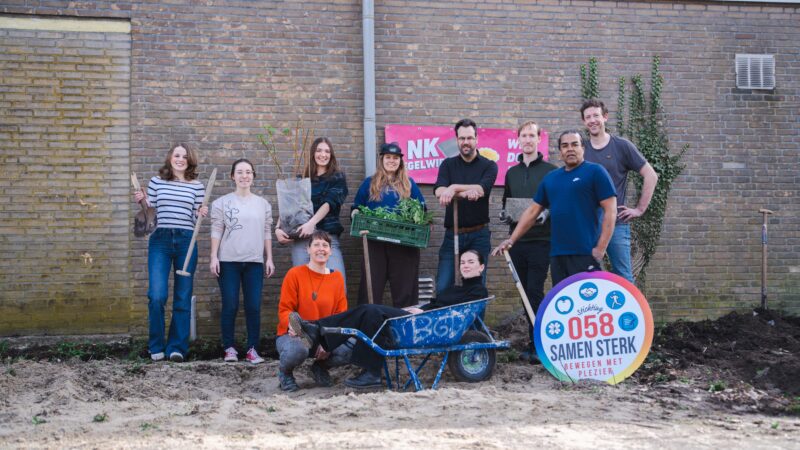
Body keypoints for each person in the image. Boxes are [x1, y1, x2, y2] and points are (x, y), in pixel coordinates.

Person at [289, 250, 489, 389]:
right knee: (368, 313)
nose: (466, 265)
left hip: (427, 325)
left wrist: (424, 313)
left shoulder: (478, 291)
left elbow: (454, 311)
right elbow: (436, 303)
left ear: (481, 267)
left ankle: (319, 332)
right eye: (463, 262)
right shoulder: (456, 288)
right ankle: (366, 370)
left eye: (471, 262)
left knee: (371, 311)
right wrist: (418, 308)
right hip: (422, 317)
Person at [493, 130, 617, 286]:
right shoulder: (551, 178)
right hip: (557, 255)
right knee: (564, 305)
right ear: (560, 152)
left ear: (583, 148)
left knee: (587, 305)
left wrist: (601, 248)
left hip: (586, 252)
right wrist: (511, 240)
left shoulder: (596, 172)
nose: (570, 149)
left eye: (574, 144)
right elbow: (532, 211)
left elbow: (611, 211)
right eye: (565, 146)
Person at [133, 143, 208, 363]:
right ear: (170, 158)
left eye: (185, 156)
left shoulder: (197, 186)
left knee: (183, 297)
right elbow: (150, 215)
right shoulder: (157, 182)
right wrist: (142, 202)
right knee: (157, 295)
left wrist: (201, 213)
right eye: (177, 155)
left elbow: (195, 221)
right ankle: (156, 345)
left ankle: (177, 347)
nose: (180, 159)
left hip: (187, 241)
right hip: (161, 241)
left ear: (189, 160)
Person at [581, 99, 658, 283]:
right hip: (588, 222)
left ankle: (631, 312)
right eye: (588, 117)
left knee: (623, 277)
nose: (592, 120)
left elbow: (651, 175)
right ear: (584, 121)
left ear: (605, 117)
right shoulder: (581, 149)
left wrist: (639, 209)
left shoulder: (622, 146)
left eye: (596, 115)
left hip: (616, 221)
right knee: (588, 275)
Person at [209, 158, 275, 364]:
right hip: (228, 261)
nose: (244, 176)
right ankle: (229, 349)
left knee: (253, 306)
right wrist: (213, 257)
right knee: (230, 305)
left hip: (254, 262)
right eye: (240, 172)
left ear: (253, 176)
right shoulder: (221, 203)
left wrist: (269, 258)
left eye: (248, 172)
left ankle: (252, 350)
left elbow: (266, 232)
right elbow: (216, 230)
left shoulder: (263, 204)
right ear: (232, 176)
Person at [501, 121, 556, 363]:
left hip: (541, 241)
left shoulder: (551, 171)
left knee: (535, 291)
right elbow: (507, 202)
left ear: (539, 139)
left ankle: (542, 344)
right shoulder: (511, 172)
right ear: (518, 140)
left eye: (532, 135)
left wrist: (548, 213)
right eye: (523, 135)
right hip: (517, 243)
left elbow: (555, 202)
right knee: (524, 294)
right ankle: (534, 343)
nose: (527, 140)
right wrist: (505, 214)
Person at [351, 142, 427, 308]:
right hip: (374, 243)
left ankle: (404, 328)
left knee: (405, 291)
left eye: (395, 158)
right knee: (370, 289)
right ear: (381, 159)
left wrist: (420, 221)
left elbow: (422, 210)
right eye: (388, 157)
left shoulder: (410, 184)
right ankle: (368, 327)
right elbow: (356, 208)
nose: (391, 161)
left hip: (404, 243)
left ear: (400, 161)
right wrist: (356, 219)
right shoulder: (369, 183)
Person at [275, 231, 351, 392]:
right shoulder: (294, 274)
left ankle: (319, 368)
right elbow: (285, 310)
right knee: (299, 348)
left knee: (351, 347)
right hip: (297, 333)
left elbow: (341, 315)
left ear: (330, 251)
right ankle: (285, 373)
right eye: (316, 244)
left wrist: (330, 341)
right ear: (308, 250)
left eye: (325, 245)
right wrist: (292, 325)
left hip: (323, 333)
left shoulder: (337, 278)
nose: (321, 249)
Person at [433, 118, 498, 293]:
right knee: (443, 286)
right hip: (452, 234)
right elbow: (439, 190)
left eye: (469, 138)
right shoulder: (448, 164)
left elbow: (481, 189)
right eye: (462, 138)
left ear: (476, 139)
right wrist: (461, 193)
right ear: (457, 140)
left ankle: (475, 322)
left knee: (476, 288)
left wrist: (453, 188)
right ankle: (446, 321)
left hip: (479, 235)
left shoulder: (489, 165)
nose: (466, 142)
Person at [275, 137, 349, 283]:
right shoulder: (302, 179)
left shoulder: (337, 177)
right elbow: (289, 207)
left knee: (337, 285)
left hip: (327, 239)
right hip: (302, 241)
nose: (323, 154)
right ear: (313, 154)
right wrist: (278, 228)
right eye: (319, 150)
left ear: (331, 155)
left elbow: (330, 202)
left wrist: (311, 223)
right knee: (304, 289)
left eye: (327, 151)